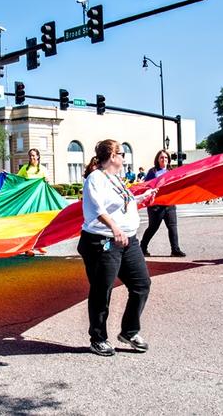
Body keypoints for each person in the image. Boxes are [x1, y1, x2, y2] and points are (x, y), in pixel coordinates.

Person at [78, 139, 157, 357]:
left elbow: (124, 202)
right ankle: (98, 338)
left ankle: (129, 332)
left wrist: (143, 198)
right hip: (102, 242)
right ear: (112, 156)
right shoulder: (95, 178)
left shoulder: (116, 179)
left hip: (128, 241)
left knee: (141, 284)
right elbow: (97, 209)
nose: (124, 157)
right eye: (121, 153)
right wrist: (114, 228)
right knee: (102, 291)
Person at [139, 150, 186, 258]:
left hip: (169, 204)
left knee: (172, 227)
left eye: (165, 158)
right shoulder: (153, 171)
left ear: (168, 159)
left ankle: (175, 250)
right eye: (161, 157)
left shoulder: (171, 170)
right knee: (153, 227)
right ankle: (142, 247)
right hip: (156, 205)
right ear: (157, 159)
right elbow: (147, 186)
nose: (164, 159)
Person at [18, 148, 48, 255]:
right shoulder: (25, 169)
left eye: (34, 155)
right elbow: (17, 181)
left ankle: (39, 245)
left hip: (40, 200)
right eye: (30, 156)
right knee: (28, 224)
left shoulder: (43, 169)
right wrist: (7, 176)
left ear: (38, 156)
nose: (32, 157)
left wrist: (46, 181)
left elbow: (46, 185)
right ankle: (28, 248)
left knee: (40, 224)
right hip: (27, 201)